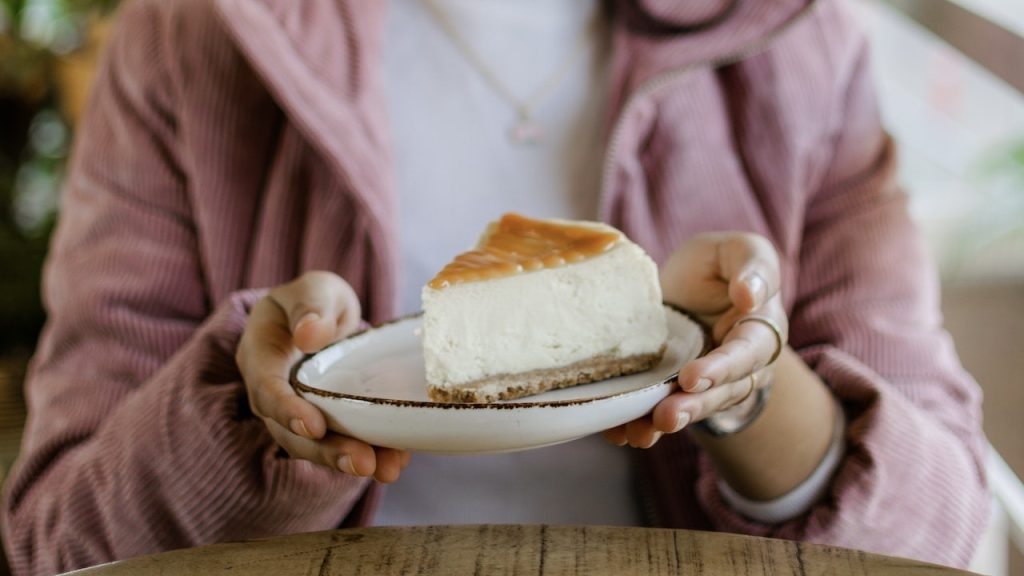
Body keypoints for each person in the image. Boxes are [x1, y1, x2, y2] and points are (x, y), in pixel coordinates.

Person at [0, 0, 989, 574]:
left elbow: (943, 534)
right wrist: (262, 414)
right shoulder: (191, 36)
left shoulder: (792, 39)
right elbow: (56, 544)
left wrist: (742, 383)